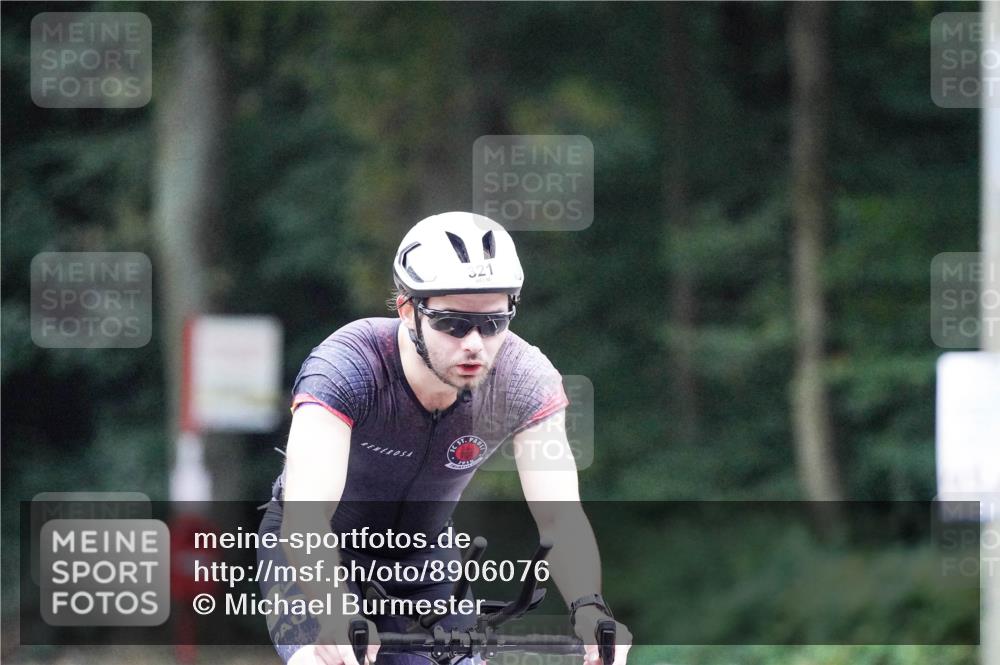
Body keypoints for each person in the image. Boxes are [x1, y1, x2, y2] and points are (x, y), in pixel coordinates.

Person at [257, 212, 631, 665]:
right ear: (408, 310)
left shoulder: (524, 379)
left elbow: (560, 519)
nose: (475, 343)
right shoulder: (347, 366)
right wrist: (336, 611)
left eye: (493, 323)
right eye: (453, 323)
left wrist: (589, 608)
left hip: (426, 558)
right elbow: (307, 516)